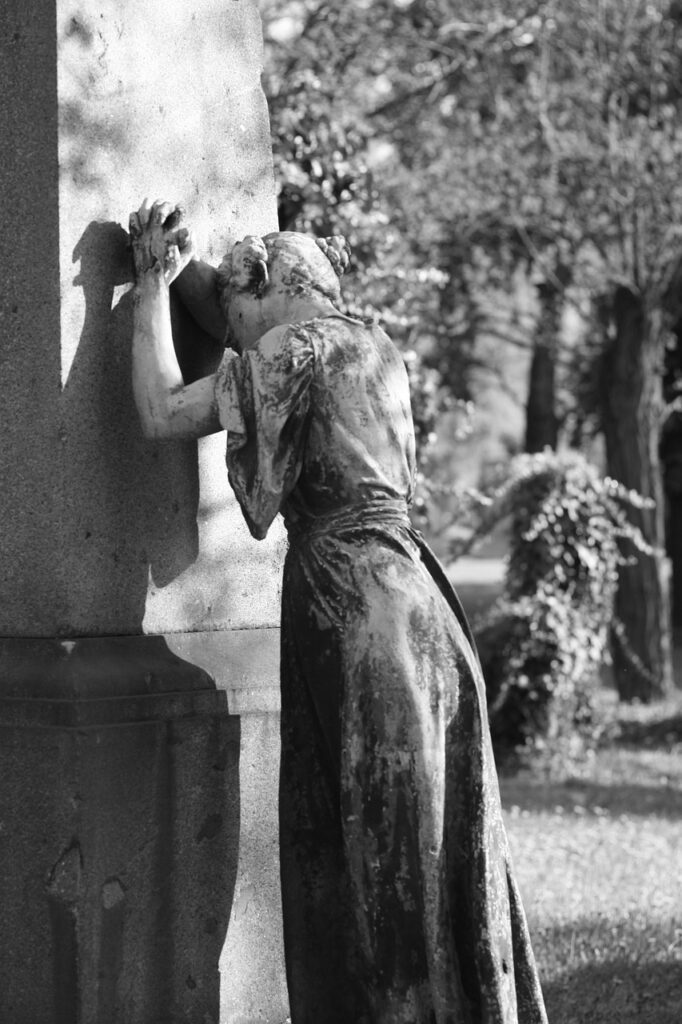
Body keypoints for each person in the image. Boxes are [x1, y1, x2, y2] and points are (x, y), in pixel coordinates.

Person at [129, 199, 548, 1024]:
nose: (237, 330)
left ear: (275, 291)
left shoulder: (297, 345)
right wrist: (211, 282)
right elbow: (236, 300)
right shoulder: (374, 346)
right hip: (420, 602)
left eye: (241, 312)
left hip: (353, 606)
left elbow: (159, 411)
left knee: (374, 858)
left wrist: (149, 287)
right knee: (427, 842)